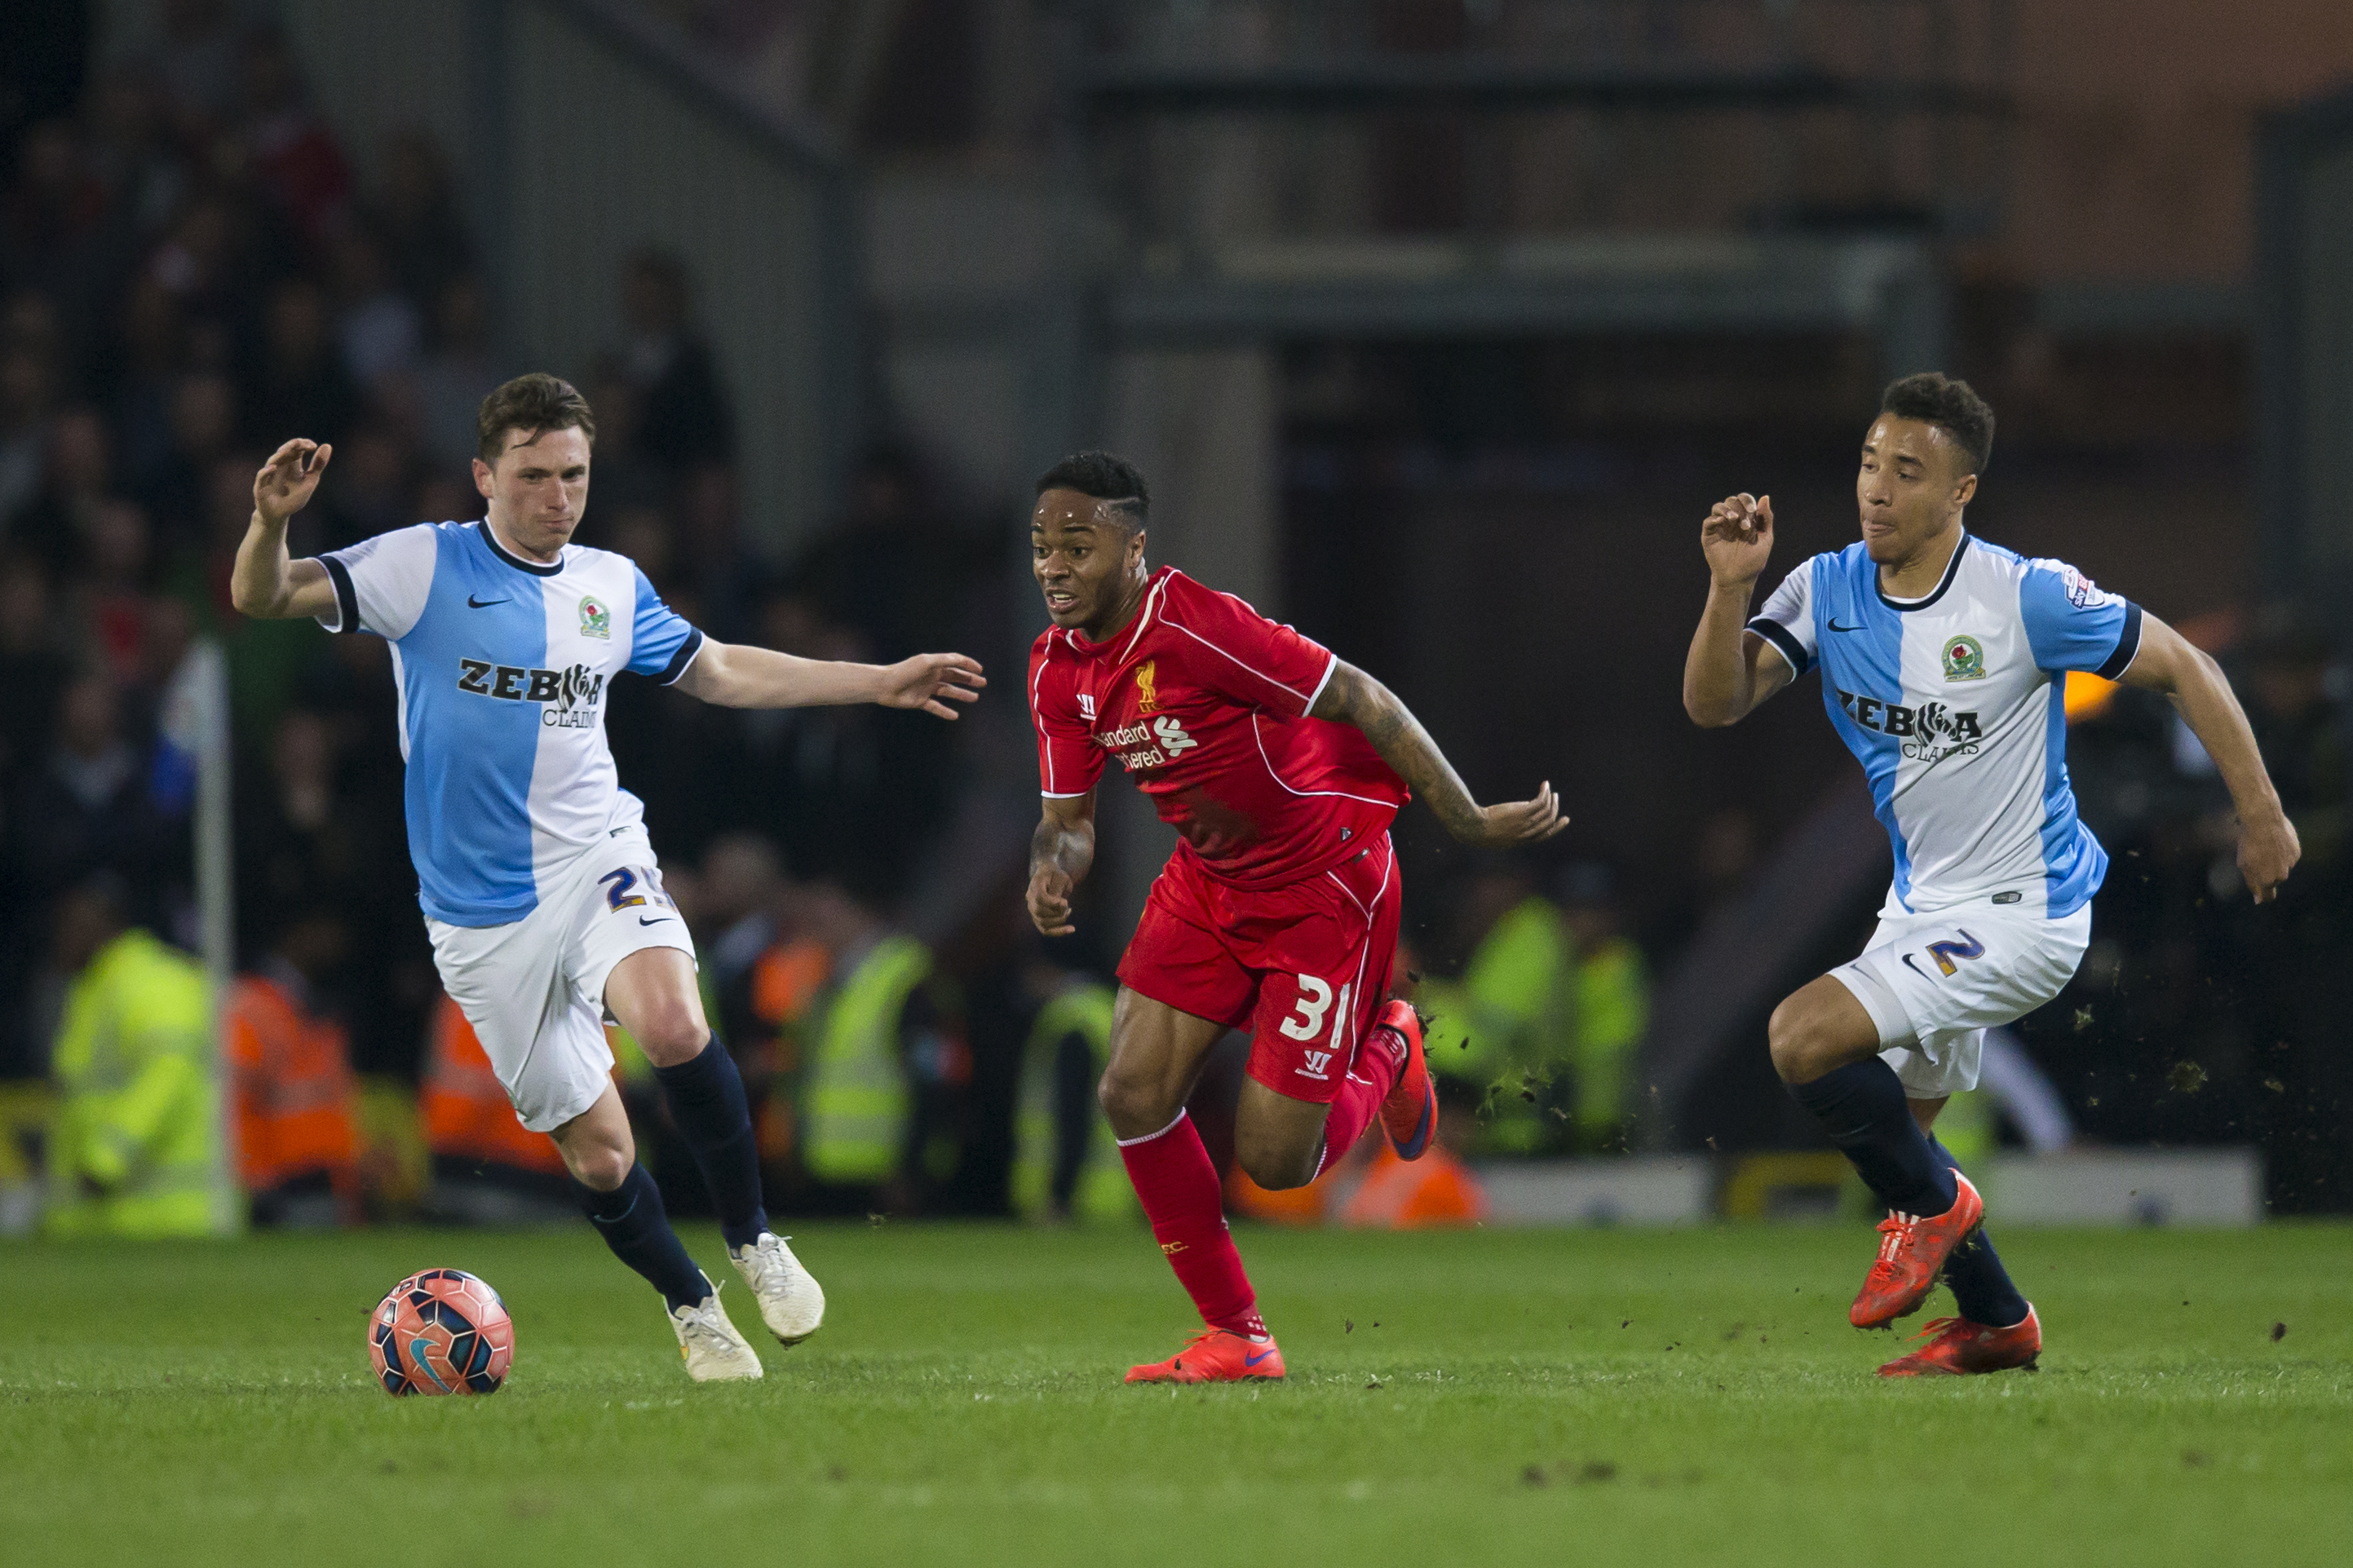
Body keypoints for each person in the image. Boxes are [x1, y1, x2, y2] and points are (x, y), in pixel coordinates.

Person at [227, 372, 986, 1380]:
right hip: (479, 918)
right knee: (601, 1155)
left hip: (594, 857)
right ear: (484, 476)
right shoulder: (422, 564)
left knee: (674, 1023)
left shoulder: (610, 584)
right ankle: (691, 1305)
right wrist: (267, 524)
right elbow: (260, 594)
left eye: (573, 475)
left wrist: (878, 682)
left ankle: (755, 1240)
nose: (557, 497)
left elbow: (715, 669)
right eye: (534, 475)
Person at [1682, 373, 2301, 1377]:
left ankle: (1938, 1209)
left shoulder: (2025, 597)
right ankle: (1998, 1319)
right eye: (1868, 464)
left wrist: (2260, 813)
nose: (1876, 490)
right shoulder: (1822, 588)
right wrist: (1727, 587)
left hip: (2026, 913)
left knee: (1801, 1040)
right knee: (1902, 1151)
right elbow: (1715, 705)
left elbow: (2190, 665)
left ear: (1960, 492)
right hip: (1920, 905)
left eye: (1907, 471)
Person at [1024, 450, 1564, 1384]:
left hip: (1324, 880)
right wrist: (1053, 869)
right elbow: (1068, 824)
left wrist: (1467, 817)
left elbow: (1361, 696)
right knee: (1131, 1091)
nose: (1055, 567)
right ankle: (1236, 1336)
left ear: (1134, 549)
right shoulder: (1055, 670)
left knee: (1278, 1164)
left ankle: (1390, 1044)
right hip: (1208, 882)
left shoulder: (1197, 626)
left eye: (1078, 545)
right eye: (1041, 548)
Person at [46, 877, 238, 1239]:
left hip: (166, 1219)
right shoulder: (96, 987)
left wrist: (105, 1160)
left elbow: (167, 1073)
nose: (60, 937)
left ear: (103, 923)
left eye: (70, 924)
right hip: (114, 1219)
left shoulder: (149, 981)